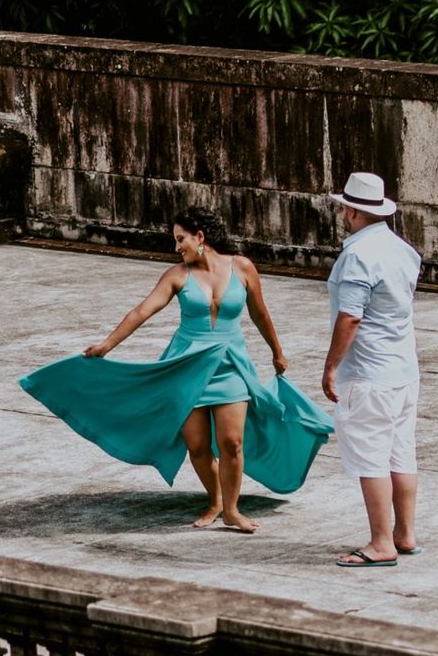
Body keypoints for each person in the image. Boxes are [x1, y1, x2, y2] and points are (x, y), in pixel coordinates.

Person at [18, 208, 333, 531]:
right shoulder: (177, 275)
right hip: (186, 367)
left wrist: (277, 352)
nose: (176, 247)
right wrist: (106, 345)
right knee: (196, 445)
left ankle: (232, 510)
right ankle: (215, 500)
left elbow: (260, 314)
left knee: (231, 442)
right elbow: (142, 311)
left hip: (231, 364)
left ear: (200, 236)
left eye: (180, 239)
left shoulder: (242, 268)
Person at [321, 172, 423, 568]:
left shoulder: (357, 256)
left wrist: (331, 367)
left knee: (371, 457)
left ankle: (381, 542)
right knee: (401, 453)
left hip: (368, 373)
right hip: (402, 369)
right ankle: (405, 534)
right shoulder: (402, 250)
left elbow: (350, 318)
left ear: (351, 211)